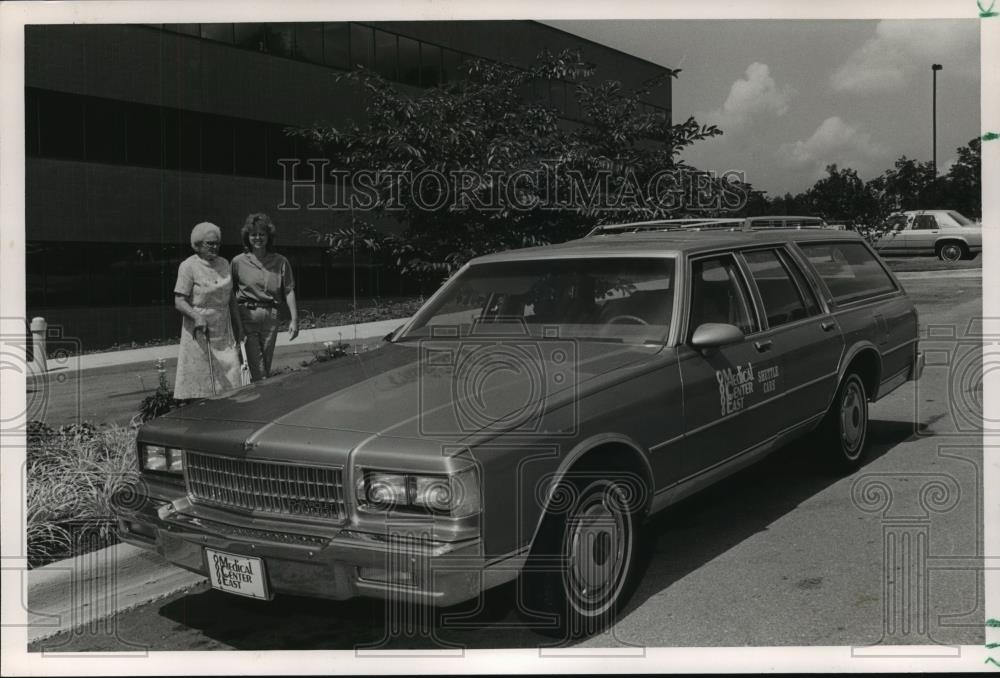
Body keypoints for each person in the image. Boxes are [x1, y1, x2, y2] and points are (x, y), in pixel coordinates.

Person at [173, 222, 243, 400]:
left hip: (223, 329)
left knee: (229, 377)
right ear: (197, 244)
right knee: (202, 379)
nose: (214, 247)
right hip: (199, 331)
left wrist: (239, 327)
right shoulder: (188, 266)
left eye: (217, 243)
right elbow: (179, 301)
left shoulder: (224, 263)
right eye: (209, 243)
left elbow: (231, 299)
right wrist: (197, 317)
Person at [231, 213, 298, 381]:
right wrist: (235, 322)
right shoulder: (238, 262)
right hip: (247, 316)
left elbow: (289, 290)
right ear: (248, 237)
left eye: (262, 234)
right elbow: (229, 293)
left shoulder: (280, 261)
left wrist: (295, 320)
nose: (258, 238)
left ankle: (259, 401)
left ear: (269, 236)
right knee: (258, 369)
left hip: (271, 317)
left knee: (264, 366)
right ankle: (264, 402)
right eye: (253, 234)